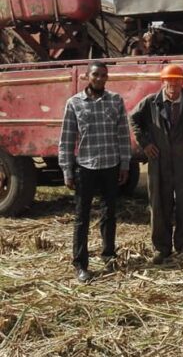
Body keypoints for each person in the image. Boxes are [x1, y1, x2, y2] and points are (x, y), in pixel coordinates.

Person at [130, 64, 183, 264]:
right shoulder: (151, 102)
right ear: (163, 81)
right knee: (159, 205)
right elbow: (133, 119)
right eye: (170, 80)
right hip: (159, 161)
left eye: (177, 80)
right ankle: (162, 248)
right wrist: (145, 144)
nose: (173, 84)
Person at [58, 62, 131, 283]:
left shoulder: (115, 101)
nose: (100, 78)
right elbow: (67, 139)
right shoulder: (75, 103)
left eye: (103, 75)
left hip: (111, 165)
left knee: (109, 214)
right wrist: (67, 170)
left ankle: (108, 255)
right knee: (82, 217)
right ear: (87, 77)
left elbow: (123, 135)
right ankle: (80, 264)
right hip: (86, 167)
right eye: (96, 74)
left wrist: (125, 164)